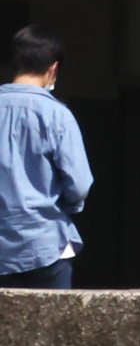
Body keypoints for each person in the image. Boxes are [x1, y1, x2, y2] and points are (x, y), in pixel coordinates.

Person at [0, 30, 88, 289]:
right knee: (57, 328)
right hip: (46, 244)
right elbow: (79, 184)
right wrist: (69, 204)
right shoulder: (58, 116)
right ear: (53, 69)